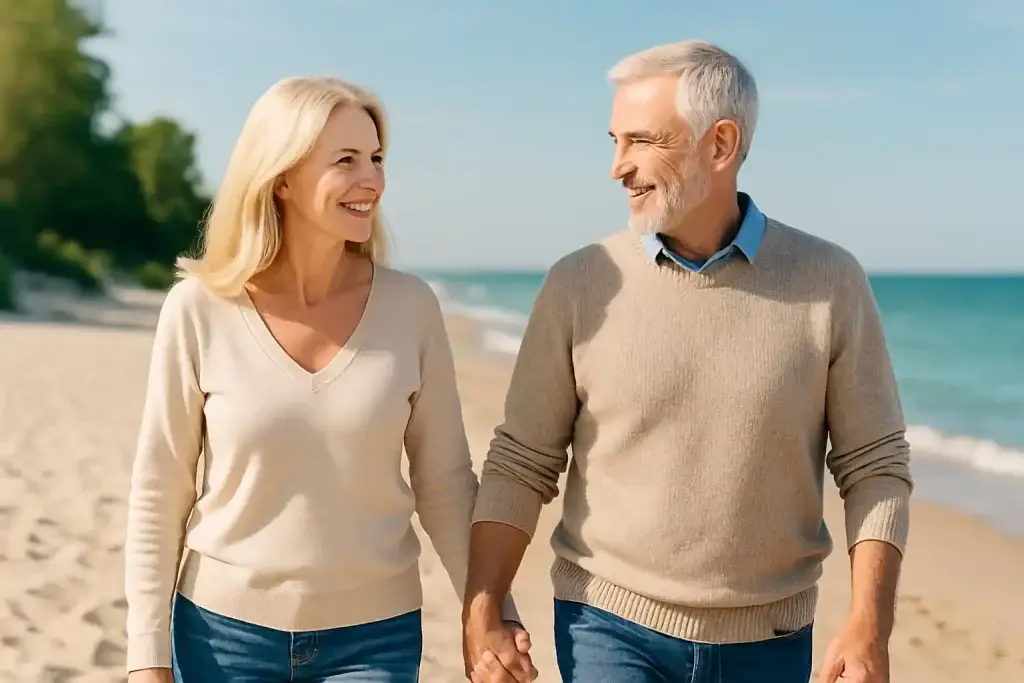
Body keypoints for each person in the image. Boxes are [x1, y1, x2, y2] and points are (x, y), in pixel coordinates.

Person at [462, 40, 913, 683]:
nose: (618, 167)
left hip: (772, 638)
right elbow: (523, 459)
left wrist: (871, 626)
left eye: (642, 141)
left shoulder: (831, 281)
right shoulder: (578, 283)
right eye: (614, 141)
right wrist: (482, 607)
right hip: (606, 626)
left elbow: (875, 467)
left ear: (720, 144)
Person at [123, 76, 533, 683]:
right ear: (281, 177)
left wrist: (492, 617)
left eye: (376, 158)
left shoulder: (411, 307)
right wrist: (146, 659)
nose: (372, 179)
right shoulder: (199, 310)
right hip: (219, 638)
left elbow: (445, 485)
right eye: (346, 160)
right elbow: (160, 491)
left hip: (374, 641)